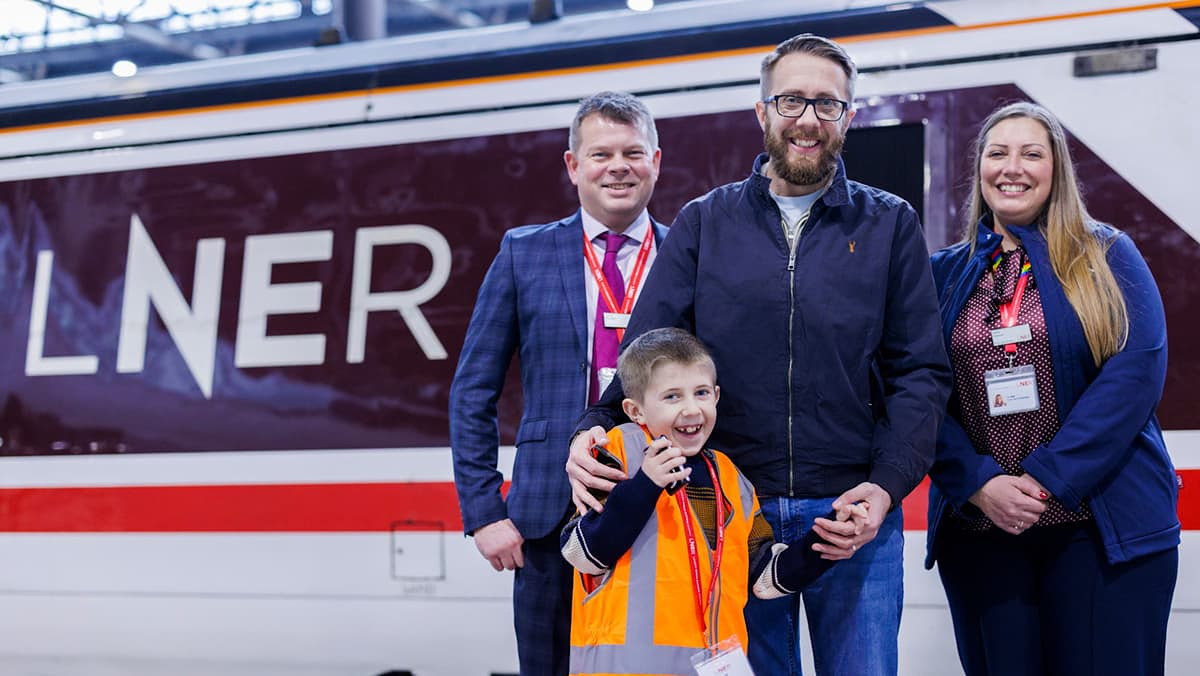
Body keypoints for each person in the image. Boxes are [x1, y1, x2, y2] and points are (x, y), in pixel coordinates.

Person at [566, 34, 952, 675]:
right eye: (792, 101)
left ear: (849, 118)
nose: (808, 119)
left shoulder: (889, 224)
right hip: (734, 515)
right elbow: (646, 351)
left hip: (852, 515)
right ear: (762, 112)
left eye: (827, 105)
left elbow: (920, 371)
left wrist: (884, 490)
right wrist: (592, 428)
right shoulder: (703, 222)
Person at [925, 101, 1179, 676]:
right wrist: (979, 481)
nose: (1012, 167)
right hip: (984, 535)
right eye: (998, 153)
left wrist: (1047, 479)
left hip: (1103, 534)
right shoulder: (941, 272)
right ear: (980, 169)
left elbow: (1137, 371)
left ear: (1056, 169)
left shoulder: (1107, 255)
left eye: (1031, 153)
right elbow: (915, 391)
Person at [449, 91, 669, 676]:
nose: (617, 167)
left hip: (661, 511)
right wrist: (484, 510)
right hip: (546, 516)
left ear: (656, 161)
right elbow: (473, 389)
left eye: (632, 152)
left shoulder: (685, 255)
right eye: (600, 154)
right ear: (573, 166)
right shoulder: (525, 253)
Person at [561, 328, 867, 675]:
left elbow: (765, 578)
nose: (692, 409)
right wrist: (646, 484)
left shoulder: (729, 477)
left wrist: (822, 542)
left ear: (717, 396)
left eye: (701, 392)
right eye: (672, 397)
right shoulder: (616, 453)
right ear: (636, 410)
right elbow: (581, 554)